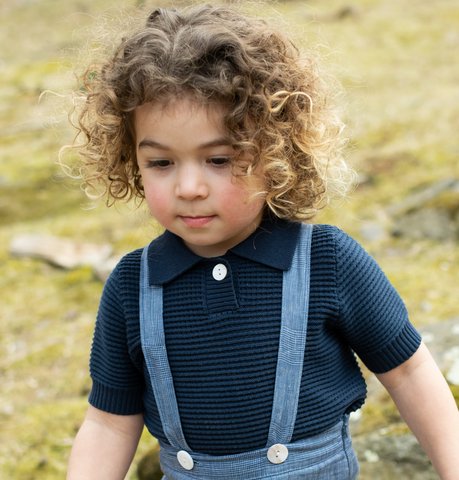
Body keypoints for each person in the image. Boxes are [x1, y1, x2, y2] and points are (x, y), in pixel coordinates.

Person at [63, 4, 459, 479]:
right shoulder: (132, 287)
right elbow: (108, 423)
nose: (189, 187)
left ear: (276, 151)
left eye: (219, 159)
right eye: (162, 163)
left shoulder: (328, 262)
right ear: (131, 159)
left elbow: (411, 373)